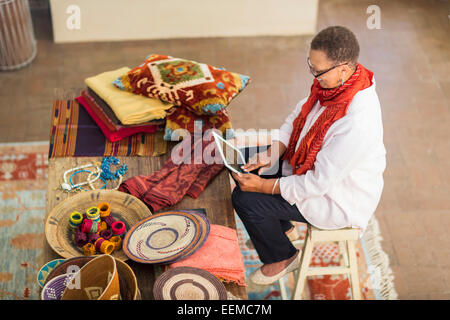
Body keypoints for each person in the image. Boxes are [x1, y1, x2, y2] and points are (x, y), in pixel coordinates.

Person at [231, 26, 386, 285]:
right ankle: (283, 230)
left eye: (318, 70)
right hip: (309, 169)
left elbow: (317, 183)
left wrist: (264, 186)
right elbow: (299, 116)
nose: (313, 75)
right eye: (310, 66)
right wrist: (273, 152)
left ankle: (282, 257)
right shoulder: (336, 85)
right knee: (243, 161)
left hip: (336, 198)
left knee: (245, 199)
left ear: (344, 68)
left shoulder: (357, 122)